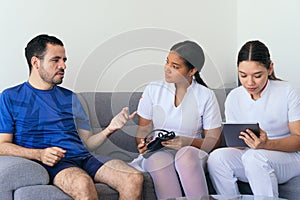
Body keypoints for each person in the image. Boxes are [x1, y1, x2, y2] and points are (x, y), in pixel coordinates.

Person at [0, 34, 143, 200]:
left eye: (64, 60)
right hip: (54, 163)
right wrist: (39, 154)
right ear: (35, 62)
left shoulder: (71, 98)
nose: (63, 66)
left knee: (133, 178)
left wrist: (110, 129)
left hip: (84, 157)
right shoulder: (10, 97)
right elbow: (2, 146)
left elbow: (88, 142)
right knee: (82, 184)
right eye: (56, 60)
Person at [207, 40, 300, 197]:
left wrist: (267, 144)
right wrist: (234, 141)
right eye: (243, 75)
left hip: (288, 157)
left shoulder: (287, 91)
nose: (249, 82)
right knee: (217, 158)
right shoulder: (234, 97)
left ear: (270, 68)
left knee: (254, 157)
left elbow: (298, 140)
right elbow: (238, 147)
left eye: (257, 76)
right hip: (252, 155)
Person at [133, 40, 222, 199]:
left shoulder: (205, 96)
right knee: (159, 160)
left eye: (175, 66)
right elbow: (143, 131)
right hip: (159, 152)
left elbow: (214, 141)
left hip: (192, 152)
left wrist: (186, 142)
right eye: (167, 62)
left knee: (185, 155)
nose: (167, 69)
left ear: (192, 70)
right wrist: (143, 144)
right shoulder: (153, 90)